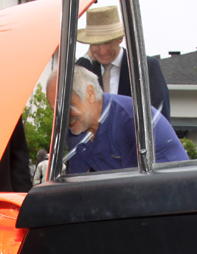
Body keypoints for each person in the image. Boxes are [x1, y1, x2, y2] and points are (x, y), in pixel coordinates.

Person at [46, 66, 187, 174]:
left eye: (66, 107)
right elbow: (75, 185)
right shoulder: (77, 127)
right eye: (55, 111)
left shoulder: (130, 120)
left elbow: (133, 188)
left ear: (90, 93)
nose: (60, 118)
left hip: (176, 195)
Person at [76, 5, 171, 120]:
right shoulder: (86, 69)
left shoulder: (145, 68)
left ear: (119, 39)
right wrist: (87, 57)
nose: (102, 51)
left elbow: (160, 116)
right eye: (95, 44)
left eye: (107, 43)